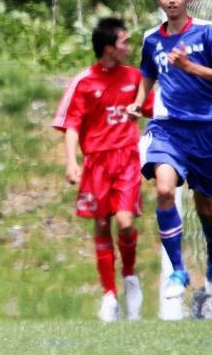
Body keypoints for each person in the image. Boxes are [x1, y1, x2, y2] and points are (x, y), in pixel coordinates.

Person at [127, 0, 212, 299]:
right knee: (163, 190)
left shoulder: (208, 32)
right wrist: (138, 100)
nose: (172, 0)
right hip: (166, 128)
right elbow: (148, 72)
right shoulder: (151, 38)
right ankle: (177, 271)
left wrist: (190, 67)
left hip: (204, 131)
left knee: (204, 206)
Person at [52, 17, 153, 322]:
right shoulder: (84, 81)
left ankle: (131, 279)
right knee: (100, 225)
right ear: (109, 48)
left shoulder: (135, 78)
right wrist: (72, 162)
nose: (128, 47)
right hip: (96, 162)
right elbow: (71, 125)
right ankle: (109, 295)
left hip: (126, 159)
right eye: (124, 42)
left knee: (124, 223)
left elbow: (153, 109)